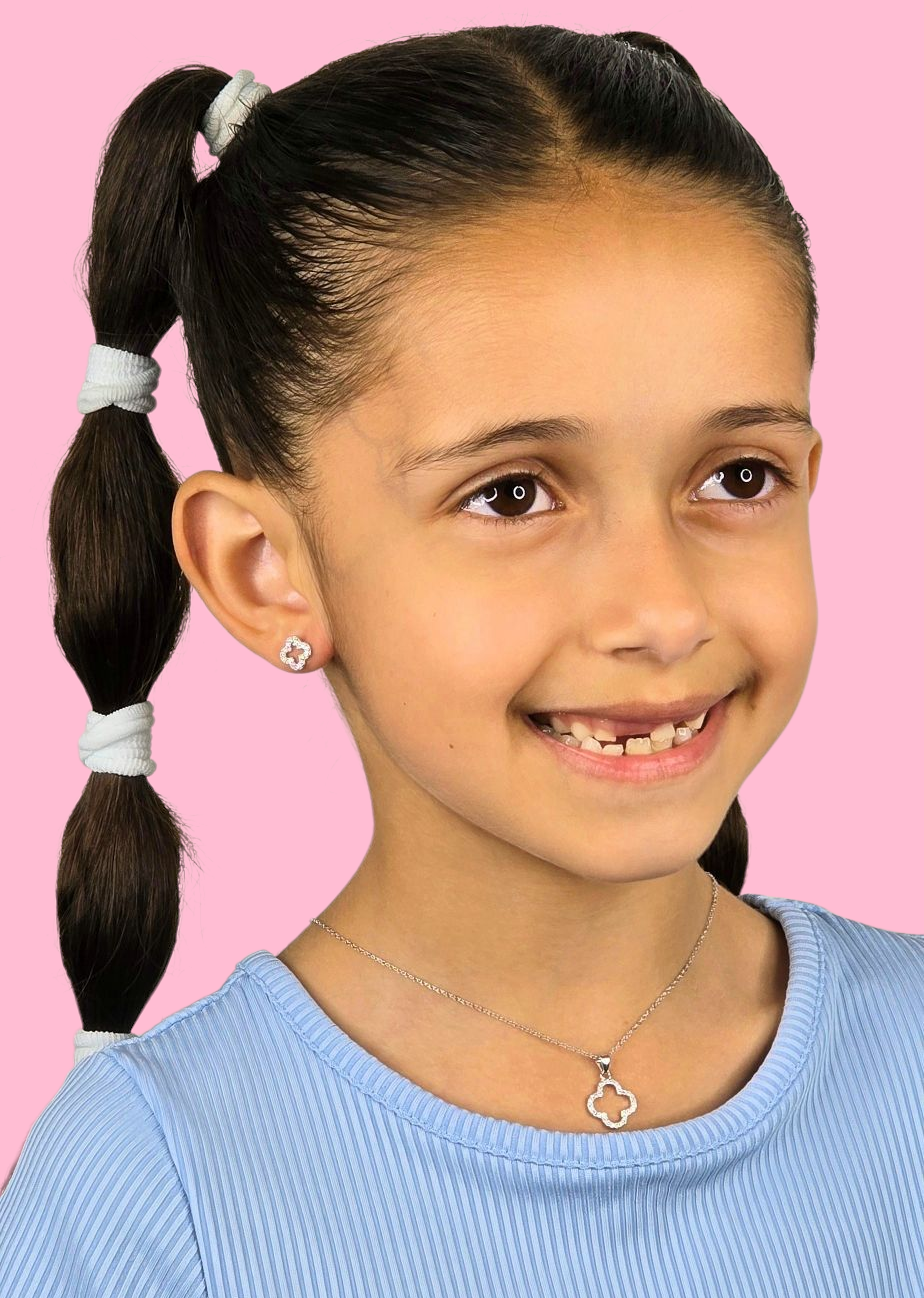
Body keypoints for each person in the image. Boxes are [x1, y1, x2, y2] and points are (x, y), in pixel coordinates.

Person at [1, 26, 921, 1297]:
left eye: (738, 477)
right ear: (264, 569)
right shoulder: (155, 1193)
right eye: (513, 494)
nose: (663, 611)